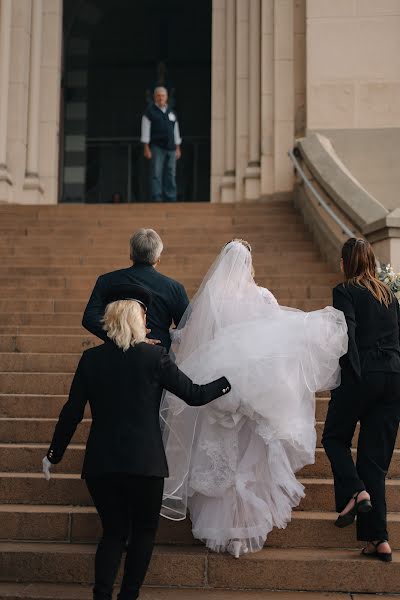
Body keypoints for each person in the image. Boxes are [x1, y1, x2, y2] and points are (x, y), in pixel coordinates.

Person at [42, 283, 231, 600]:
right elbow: (196, 395)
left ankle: (101, 595)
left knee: (113, 533)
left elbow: (71, 412)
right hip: (146, 464)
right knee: (143, 532)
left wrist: (53, 454)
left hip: (102, 465)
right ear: (134, 319)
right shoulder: (155, 357)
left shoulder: (91, 359)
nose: (148, 322)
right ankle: (128, 595)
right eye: (144, 316)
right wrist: (230, 381)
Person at [161, 239, 348, 557]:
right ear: (249, 265)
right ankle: (242, 531)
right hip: (257, 392)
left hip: (218, 387)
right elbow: (278, 340)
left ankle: (224, 529)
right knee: (251, 457)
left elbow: (195, 338)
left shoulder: (213, 299)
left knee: (222, 454)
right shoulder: (262, 297)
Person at [322, 238, 400, 562]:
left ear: (346, 263)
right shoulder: (390, 295)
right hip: (394, 378)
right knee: (373, 463)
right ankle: (378, 540)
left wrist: (348, 378)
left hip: (363, 375)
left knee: (334, 438)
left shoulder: (345, 291)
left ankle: (356, 491)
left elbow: (348, 335)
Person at [82, 228, 189, 350]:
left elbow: (89, 319)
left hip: (118, 352)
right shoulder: (174, 288)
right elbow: (188, 326)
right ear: (158, 258)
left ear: (131, 255)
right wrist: (164, 334)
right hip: (158, 355)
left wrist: (121, 337)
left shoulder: (106, 280)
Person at [141, 86, 182, 202]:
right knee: (156, 173)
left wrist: (178, 147)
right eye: (158, 96)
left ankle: (171, 197)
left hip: (171, 148)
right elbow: (145, 129)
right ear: (154, 97)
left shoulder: (171, 112)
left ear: (166, 97)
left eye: (163, 96)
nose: (160, 98)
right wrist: (146, 147)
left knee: (171, 174)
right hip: (157, 147)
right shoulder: (149, 112)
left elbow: (176, 131)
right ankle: (157, 197)